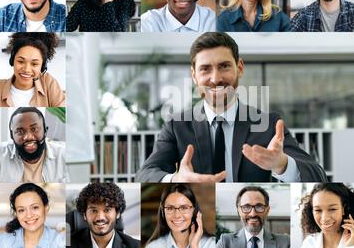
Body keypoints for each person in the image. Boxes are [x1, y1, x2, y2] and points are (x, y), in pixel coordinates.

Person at [135, 32, 326, 183]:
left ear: (239, 68)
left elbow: (317, 175)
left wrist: (282, 164)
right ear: (194, 75)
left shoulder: (268, 125)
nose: (216, 78)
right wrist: (176, 178)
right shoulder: (177, 125)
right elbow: (145, 174)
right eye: (205, 69)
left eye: (224, 66)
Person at [0, 107, 67, 183]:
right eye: (20, 132)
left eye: (34, 129)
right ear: (12, 135)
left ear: (45, 131)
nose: (28, 137)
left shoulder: (64, 154)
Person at [66, 182, 140, 248]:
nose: (100, 217)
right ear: (84, 215)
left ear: (117, 213)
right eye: (94, 211)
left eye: (107, 210)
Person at [0, 33, 65, 107]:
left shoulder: (49, 83)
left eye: (34, 64)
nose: (26, 69)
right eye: (21, 62)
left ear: (42, 67)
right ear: (12, 60)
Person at [216, 186, 290, 248]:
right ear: (238, 211)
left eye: (259, 206)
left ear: (267, 211)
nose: (253, 214)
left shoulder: (284, 242)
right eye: (246, 207)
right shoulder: (225, 242)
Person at [143, 184, 215, 248]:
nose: (177, 215)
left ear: (194, 211)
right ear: (163, 212)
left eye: (184, 208)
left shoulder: (211, 245)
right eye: (170, 208)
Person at [0, 183, 65, 248]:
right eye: (21, 210)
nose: (29, 215)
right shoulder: (3, 241)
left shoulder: (61, 241)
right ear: (16, 214)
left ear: (46, 208)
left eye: (35, 207)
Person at [298, 183, 354, 248]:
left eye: (332, 209)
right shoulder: (309, 244)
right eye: (318, 210)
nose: (325, 218)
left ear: (344, 209)